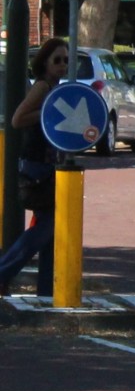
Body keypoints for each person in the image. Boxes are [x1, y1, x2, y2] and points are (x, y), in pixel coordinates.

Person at [0, 38, 68, 296]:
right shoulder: (42, 87)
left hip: (51, 165)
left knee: (53, 229)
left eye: (66, 60)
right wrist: (46, 113)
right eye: (57, 60)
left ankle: (47, 289)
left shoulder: (57, 87)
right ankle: (4, 271)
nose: (62, 65)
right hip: (37, 166)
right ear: (45, 63)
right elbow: (18, 119)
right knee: (50, 225)